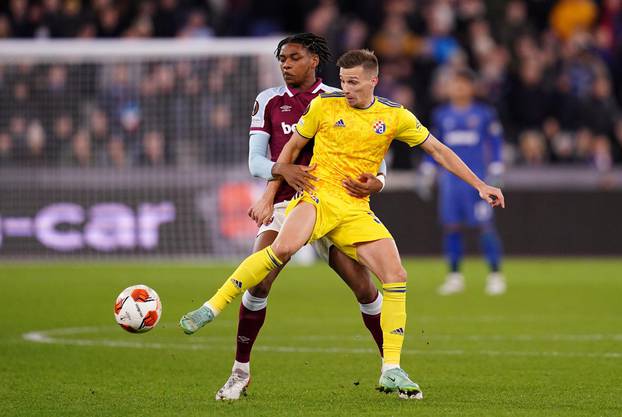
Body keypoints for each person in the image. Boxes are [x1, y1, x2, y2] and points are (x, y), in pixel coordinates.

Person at [180, 49, 505, 400]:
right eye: (343, 81)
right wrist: (271, 195)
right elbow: (289, 152)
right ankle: (211, 307)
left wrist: (480, 185)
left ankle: (391, 368)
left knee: (395, 275)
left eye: (353, 82)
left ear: (372, 81)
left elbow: (439, 151)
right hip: (318, 198)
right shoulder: (324, 106)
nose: (345, 88)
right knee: (283, 248)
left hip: (354, 210)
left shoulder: (394, 116)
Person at [212, 33, 388, 401]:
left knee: (365, 288)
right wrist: (284, 170)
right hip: (285, 206)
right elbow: (255, 161)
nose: (285, 64)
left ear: (313, 61)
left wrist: (379, 181)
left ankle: (393, 369)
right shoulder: (270, 101)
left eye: (293, 58)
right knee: (258, 281)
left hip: (334, 205)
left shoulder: (339, 99)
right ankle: (239, 372)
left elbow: (375, 153)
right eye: (282, 59)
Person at [421, 69, 506, 295]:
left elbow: (495, 142)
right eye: (453, 84)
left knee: (485, 226)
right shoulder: (441, 115)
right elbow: (432, 146)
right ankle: (454, 276)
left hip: (478, 179)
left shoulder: (484, 114)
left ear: (471, 87)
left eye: (462, 84)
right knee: (451, 227)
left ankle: (495, 274)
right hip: (450, 182)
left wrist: (497, 167)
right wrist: (428, 170)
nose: (457, 88)